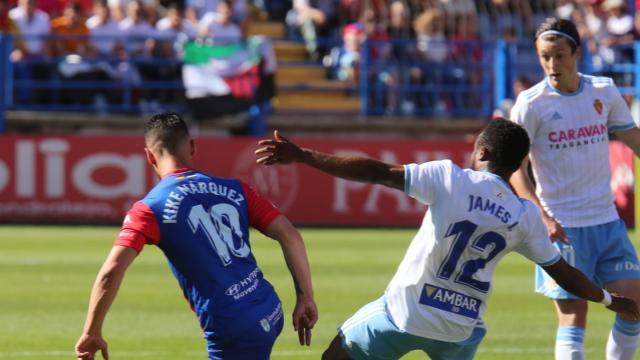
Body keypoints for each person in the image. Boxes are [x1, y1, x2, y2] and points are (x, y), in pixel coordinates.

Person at [254, 120, 640, 360]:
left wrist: (303, 155)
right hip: (459, 329)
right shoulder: (525, 215)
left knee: (335, 357)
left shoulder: (449, 178)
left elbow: (376, 172)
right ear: (518, 164)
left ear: (482, 151)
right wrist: (610, 299)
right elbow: (565, 274)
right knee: (465, 336)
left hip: (405, 316)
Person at [75, 112, 318, 360]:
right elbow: (290, 235)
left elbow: (111, 271)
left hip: (232, 324)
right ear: (192, 147)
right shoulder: (237, 189)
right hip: (269, 306)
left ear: (149, 156)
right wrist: (305, 297)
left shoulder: (149, 209)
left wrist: (92, 330)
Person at [510, 17, 640, 360]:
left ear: (577, 53)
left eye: (559, 55)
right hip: (562, 229)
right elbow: (515, 170)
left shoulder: (603, 92)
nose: (552, 65)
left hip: (608, 223)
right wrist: (542, 217)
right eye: (544, 57)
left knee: (634, 309)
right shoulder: (531, 104)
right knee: (573, 316)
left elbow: (634, 139)